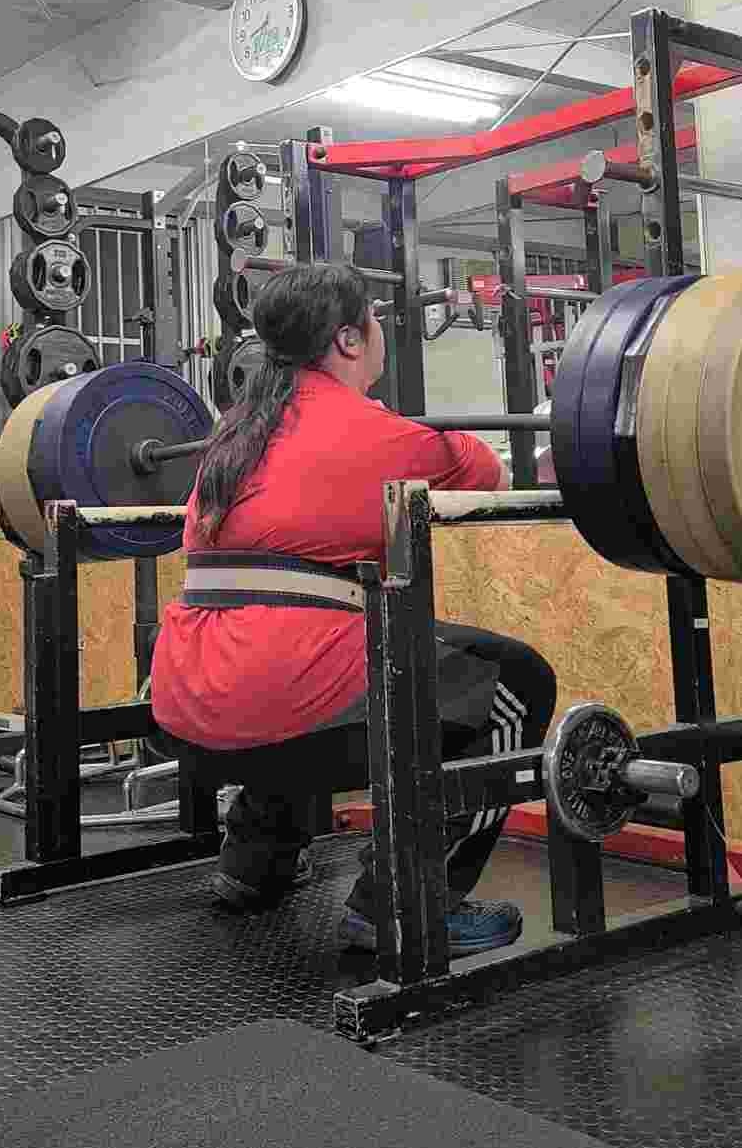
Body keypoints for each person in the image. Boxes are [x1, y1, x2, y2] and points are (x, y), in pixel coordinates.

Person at [151, 262, 556, 956]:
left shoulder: (235, 431)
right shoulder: (376, 432)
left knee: (308, 653)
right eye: (373, 320)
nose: (378, 333)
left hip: (183, 704)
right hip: (275, 696)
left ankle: (253, 864)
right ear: (346, 339)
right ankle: (406, 902)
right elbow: (486, 472)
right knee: (517, 681)